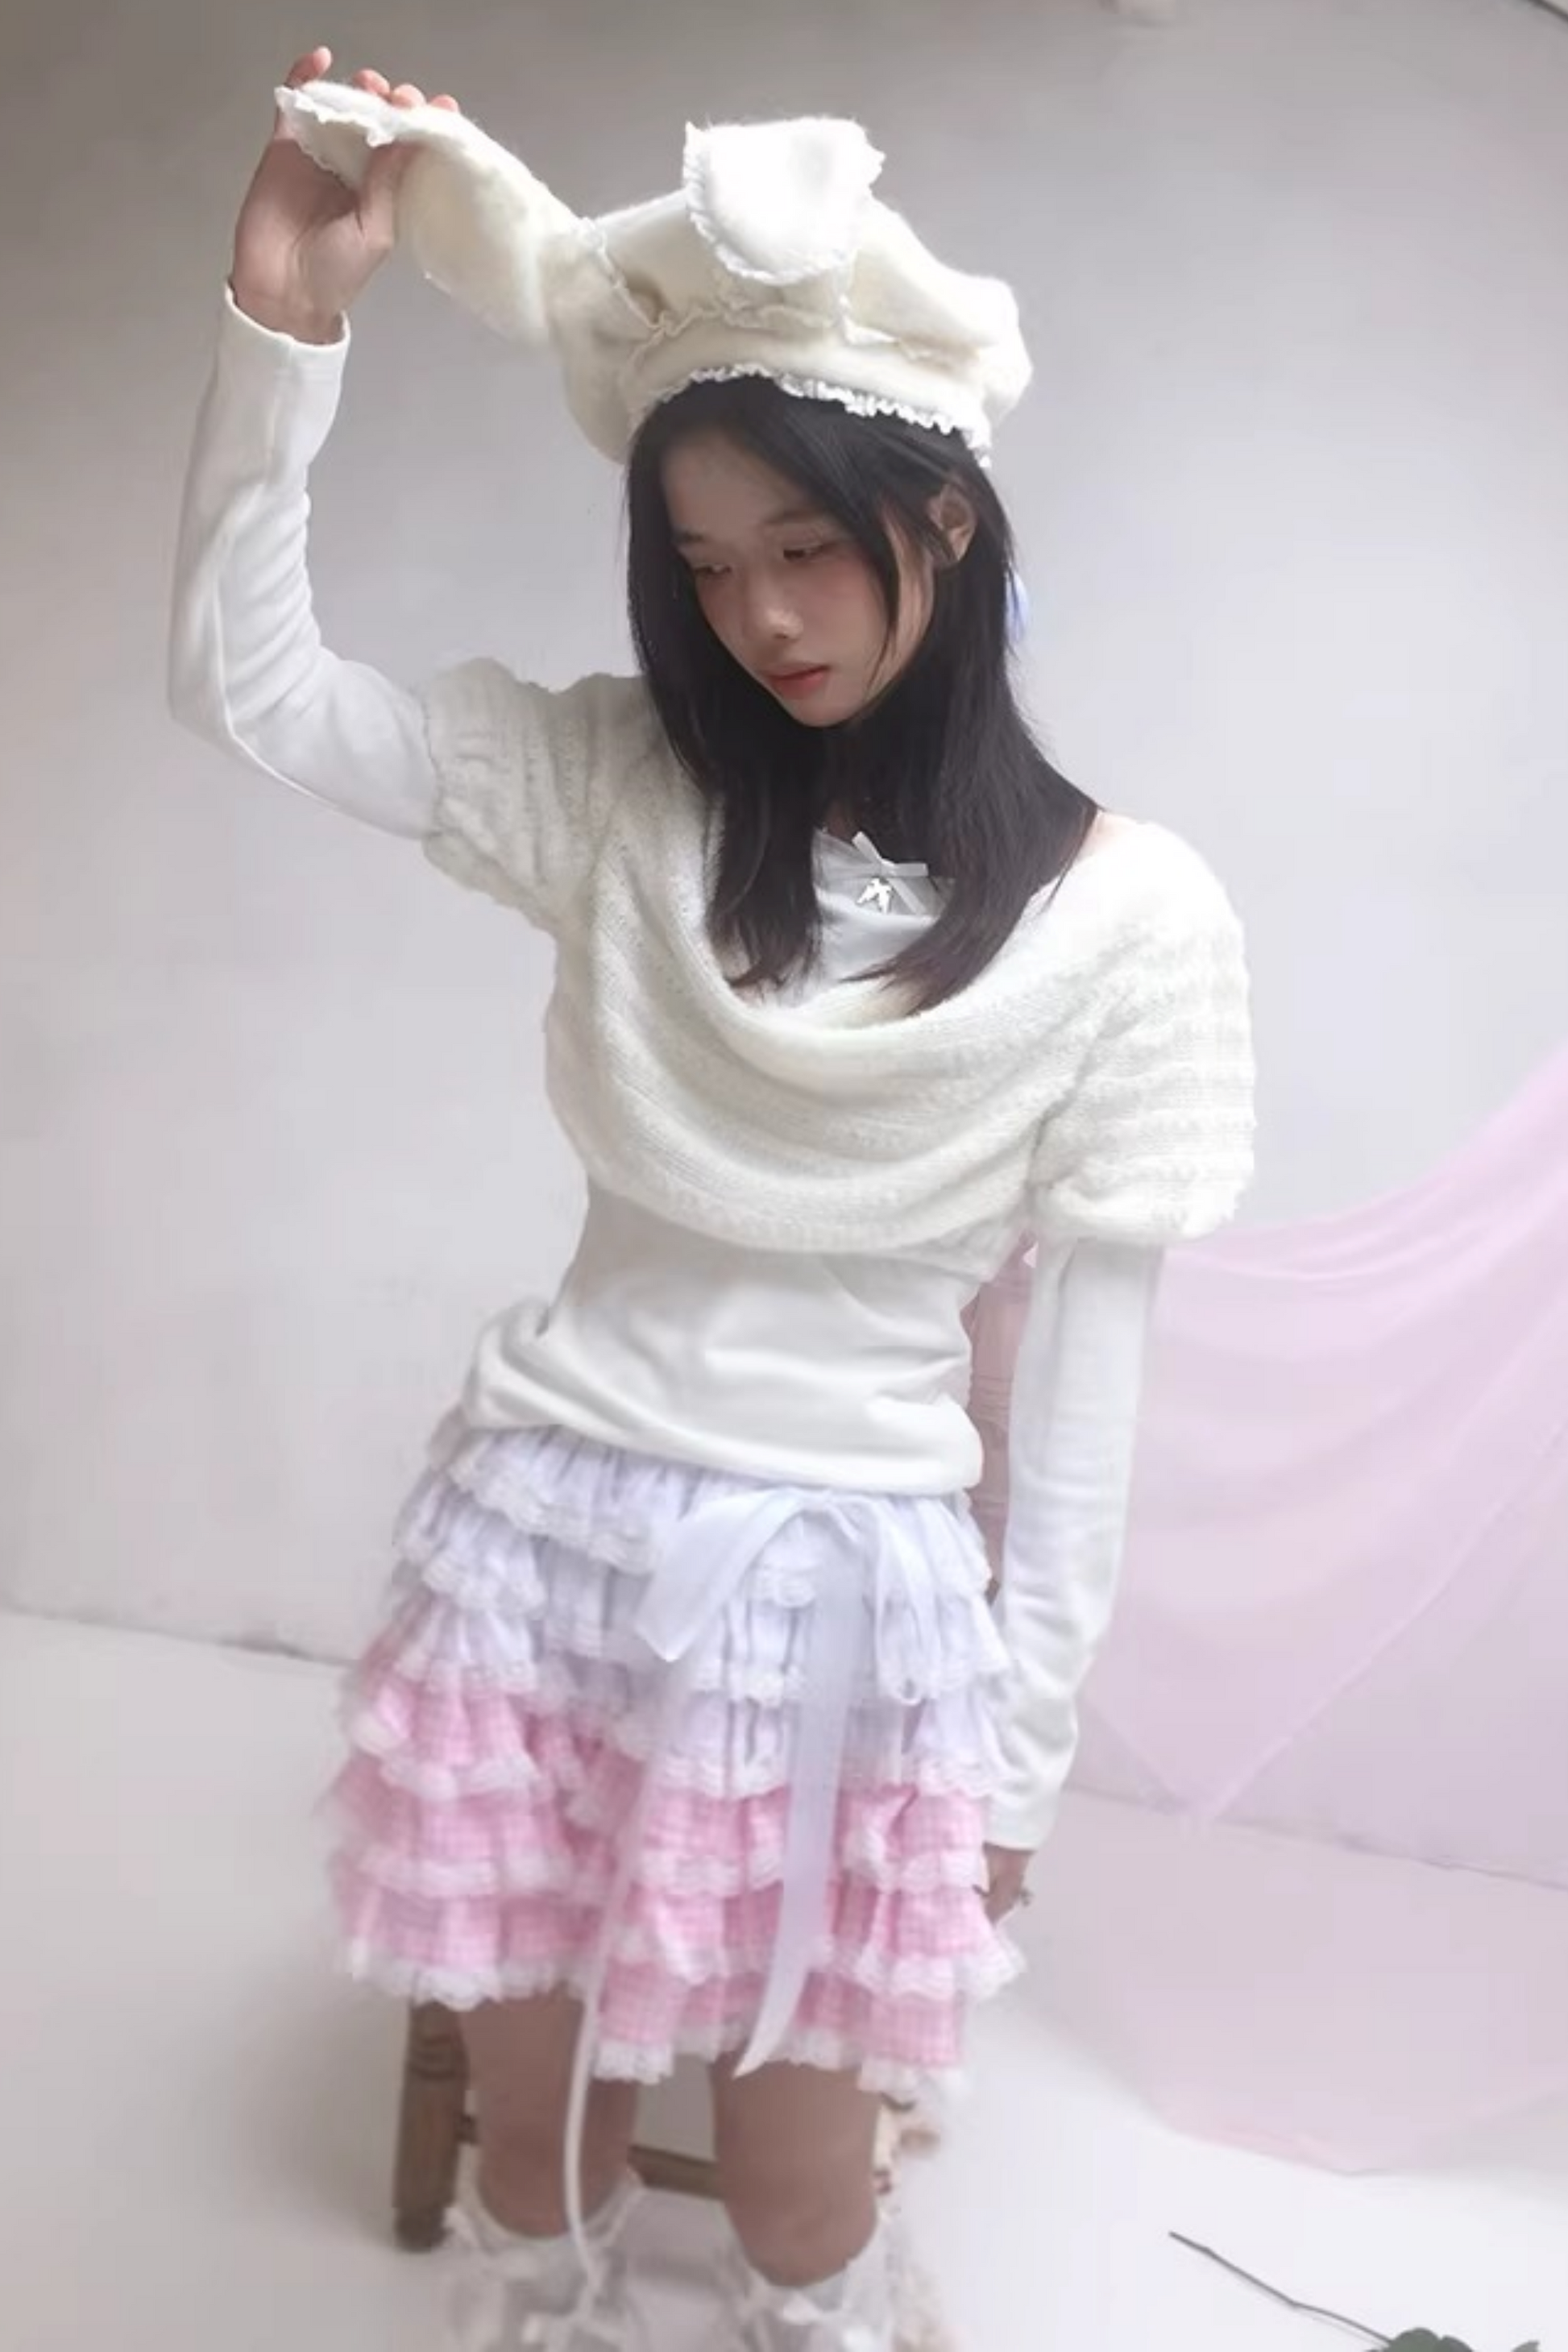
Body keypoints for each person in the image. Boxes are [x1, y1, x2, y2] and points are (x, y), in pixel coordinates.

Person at [168, 48, 1254, 2352]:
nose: (761, 615)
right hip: (544, 1530)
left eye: (804, 549)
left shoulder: (1138, 922)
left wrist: (1020, 1767)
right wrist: (285, 328)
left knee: (794, 2196)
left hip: (849, 1595)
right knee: (531, 2145)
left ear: (943, 517)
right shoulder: (625, 793)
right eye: (704, 565)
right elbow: (247, 689)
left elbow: (1082, 1393)